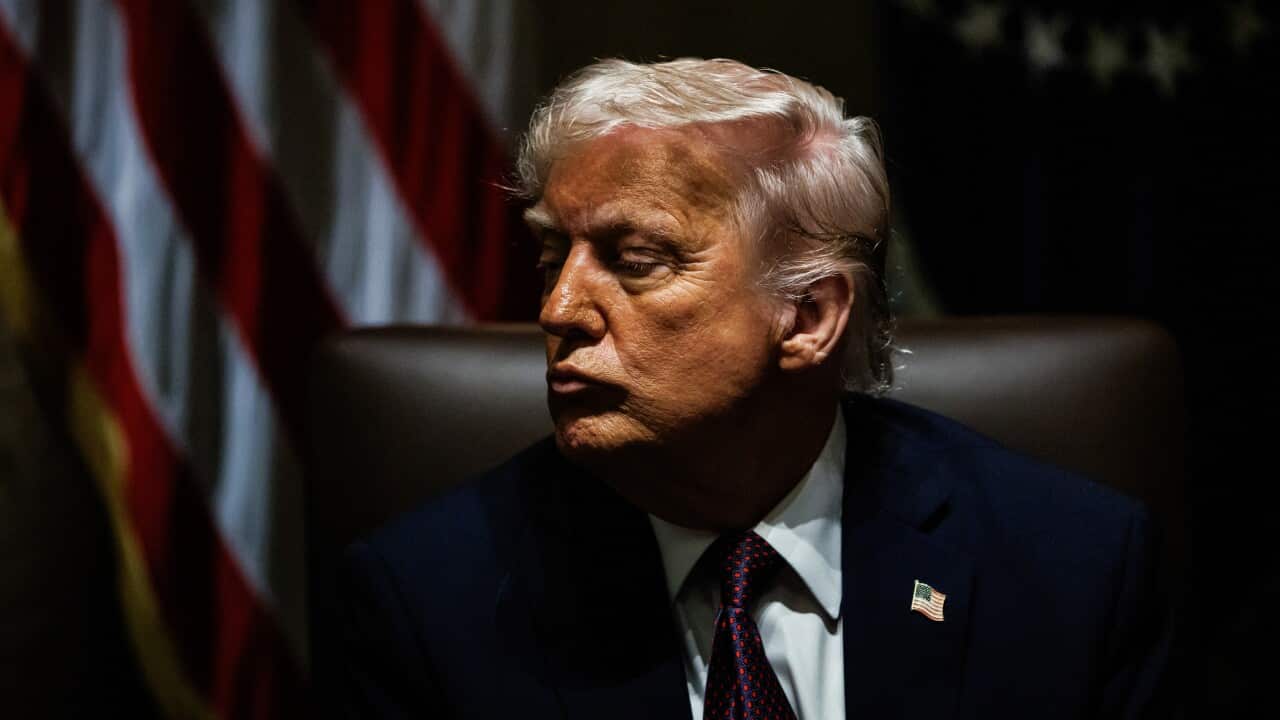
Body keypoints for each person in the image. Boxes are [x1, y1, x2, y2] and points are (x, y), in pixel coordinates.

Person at [331, 58, 1172, 719]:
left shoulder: (1072, 571)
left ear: (808, 316)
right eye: (553, 260)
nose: (558, 310)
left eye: (636, 262)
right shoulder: (426, 599)